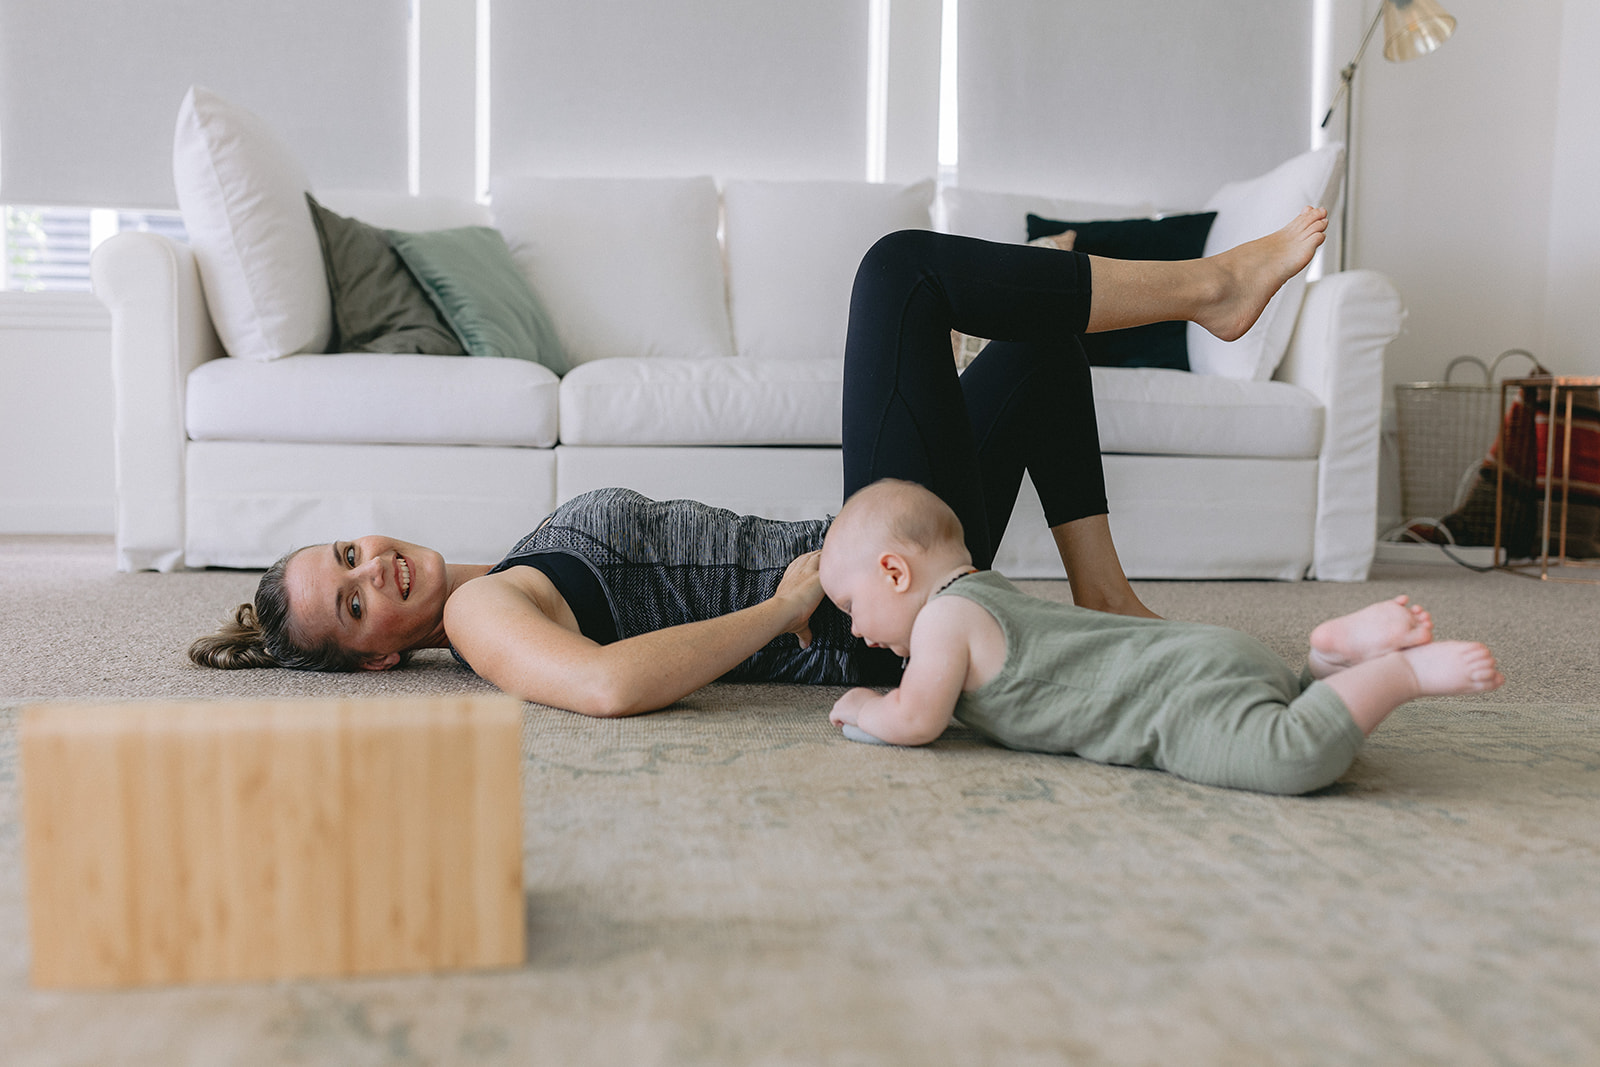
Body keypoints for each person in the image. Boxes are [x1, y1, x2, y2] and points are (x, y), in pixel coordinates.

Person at [190, 208, 1332, 718]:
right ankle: (1207, 290)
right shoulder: (484, 615)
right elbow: (605, 685)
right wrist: (783, 605)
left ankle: (1104, 595)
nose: (373, 569)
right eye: (350, 602)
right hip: (853, 604)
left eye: (349, 551)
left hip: (866, 568)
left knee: (1026, 344)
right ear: (380, 661)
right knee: (899, 273)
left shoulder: (499, 576)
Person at [819, 479, 1506, 794]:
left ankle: (1402, 674)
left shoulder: (942, 621)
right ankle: (1327, 656)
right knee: (1287, 702)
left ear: (895, 570)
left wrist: (862, 705)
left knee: (1290, 756)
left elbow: (916, 718)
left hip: (1172, 701)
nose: (854, 628)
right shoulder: (983, 591)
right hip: (1203, 655)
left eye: (851, 605)